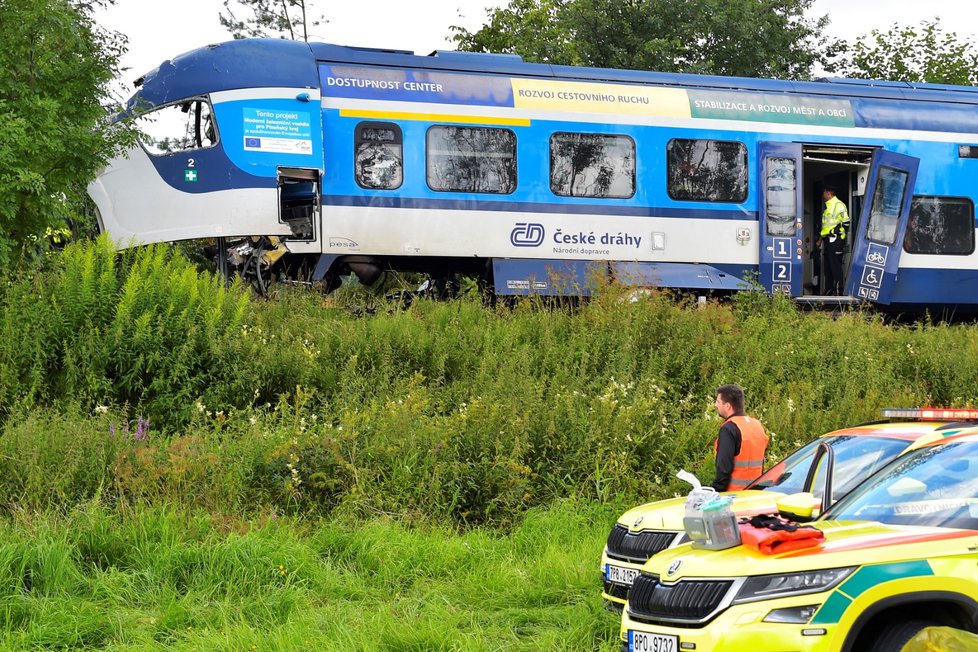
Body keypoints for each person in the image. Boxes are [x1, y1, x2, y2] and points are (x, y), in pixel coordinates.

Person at [712, 384, 769, 492]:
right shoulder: (757, 425)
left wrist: (716, 493)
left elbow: (724, 468)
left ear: (727, 406)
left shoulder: (729, 429)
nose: (716, 405)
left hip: (733, 496)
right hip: (755, 494)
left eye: (718, 402)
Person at [819, 185, 850, 296]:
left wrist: (836, 233)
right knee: (827, 267)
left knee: (835, 266)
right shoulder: (828, 206)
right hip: (827, 241)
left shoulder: (838, 205)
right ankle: (828, 290)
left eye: (824, 192)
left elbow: (846, 223)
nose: (823, 195)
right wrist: (821, 240)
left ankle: (838, 291)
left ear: (828, 193)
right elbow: (826, 227)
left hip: (836, 241)